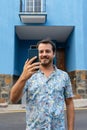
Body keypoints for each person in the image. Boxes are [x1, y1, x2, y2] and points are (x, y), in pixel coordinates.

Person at [10, 39, 74, 130]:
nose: (44, 54)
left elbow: (69, 103)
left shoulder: (64, 76)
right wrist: (23, 77)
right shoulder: (28, 75)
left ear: (54, 54)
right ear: (37, 54)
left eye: (47, 51)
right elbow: (13, 99)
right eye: (41, 52)